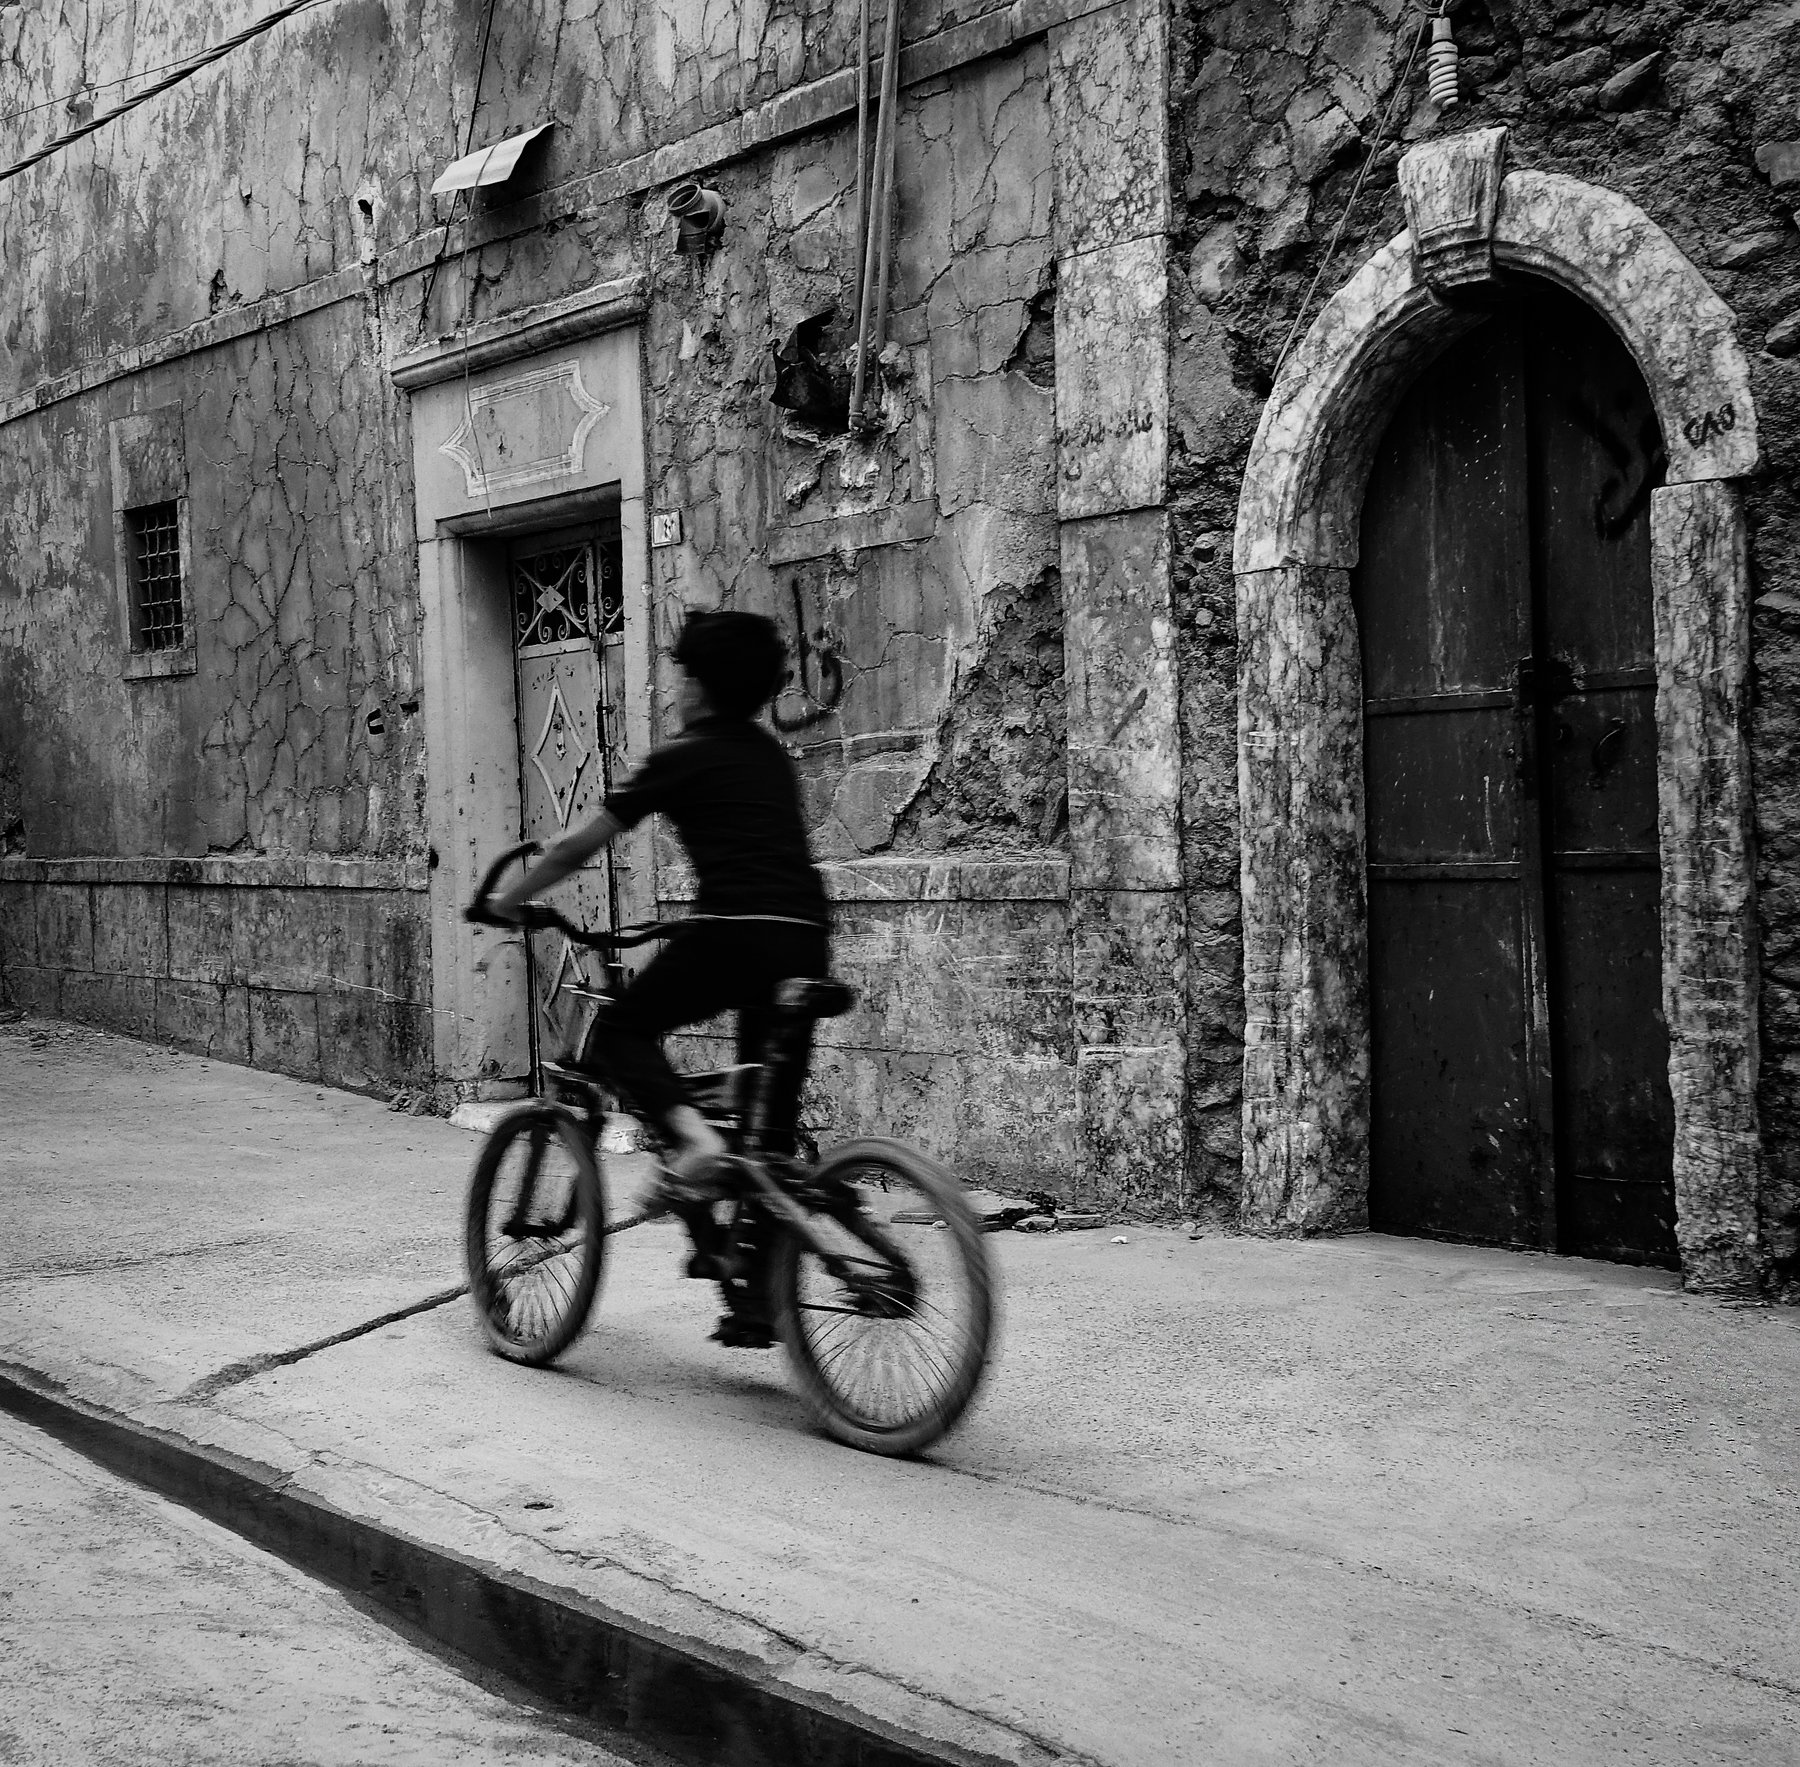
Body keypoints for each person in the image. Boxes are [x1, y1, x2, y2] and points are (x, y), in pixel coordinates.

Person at [490, 610, 831, 1325]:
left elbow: (576, 846)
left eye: (681, 675)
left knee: (619, 1034)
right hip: (804, 938)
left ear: (700, 685)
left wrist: (507, 898)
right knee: (766, 1133)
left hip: (733, 934)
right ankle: (755, 1298)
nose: (675, 688)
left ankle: (692, 1138)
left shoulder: (681, 756)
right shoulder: (770, 756)